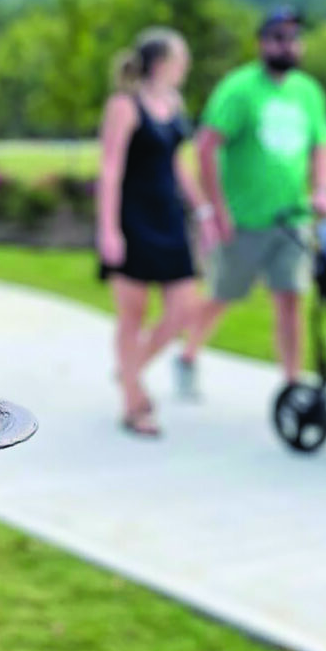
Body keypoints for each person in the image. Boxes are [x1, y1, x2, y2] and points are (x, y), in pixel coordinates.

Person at [175, 7, 326, 397]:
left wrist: (323, 188)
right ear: (263, 43)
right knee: (221, 297)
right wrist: (217, 210)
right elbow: (206, 148)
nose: (289, 45)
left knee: (291, 300)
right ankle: (187, 354)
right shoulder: (239, 89)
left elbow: (321, 147)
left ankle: (292, 383)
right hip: (243, 220)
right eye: (280, 37)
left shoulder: (308, 91)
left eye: (294, 38)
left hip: (291, 218)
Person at [96, 27, 218, 436]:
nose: (186, 67)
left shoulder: (173, 102)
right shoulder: (124, 105)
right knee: (133, 314)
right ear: (163, 62)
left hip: (168, 219)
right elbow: (110, 169)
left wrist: (202, 210)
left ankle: (130, 370)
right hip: (132, 220)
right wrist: (109, 230)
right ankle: (134, 402)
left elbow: (176, 163)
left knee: (186, 307)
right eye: (182, 59)